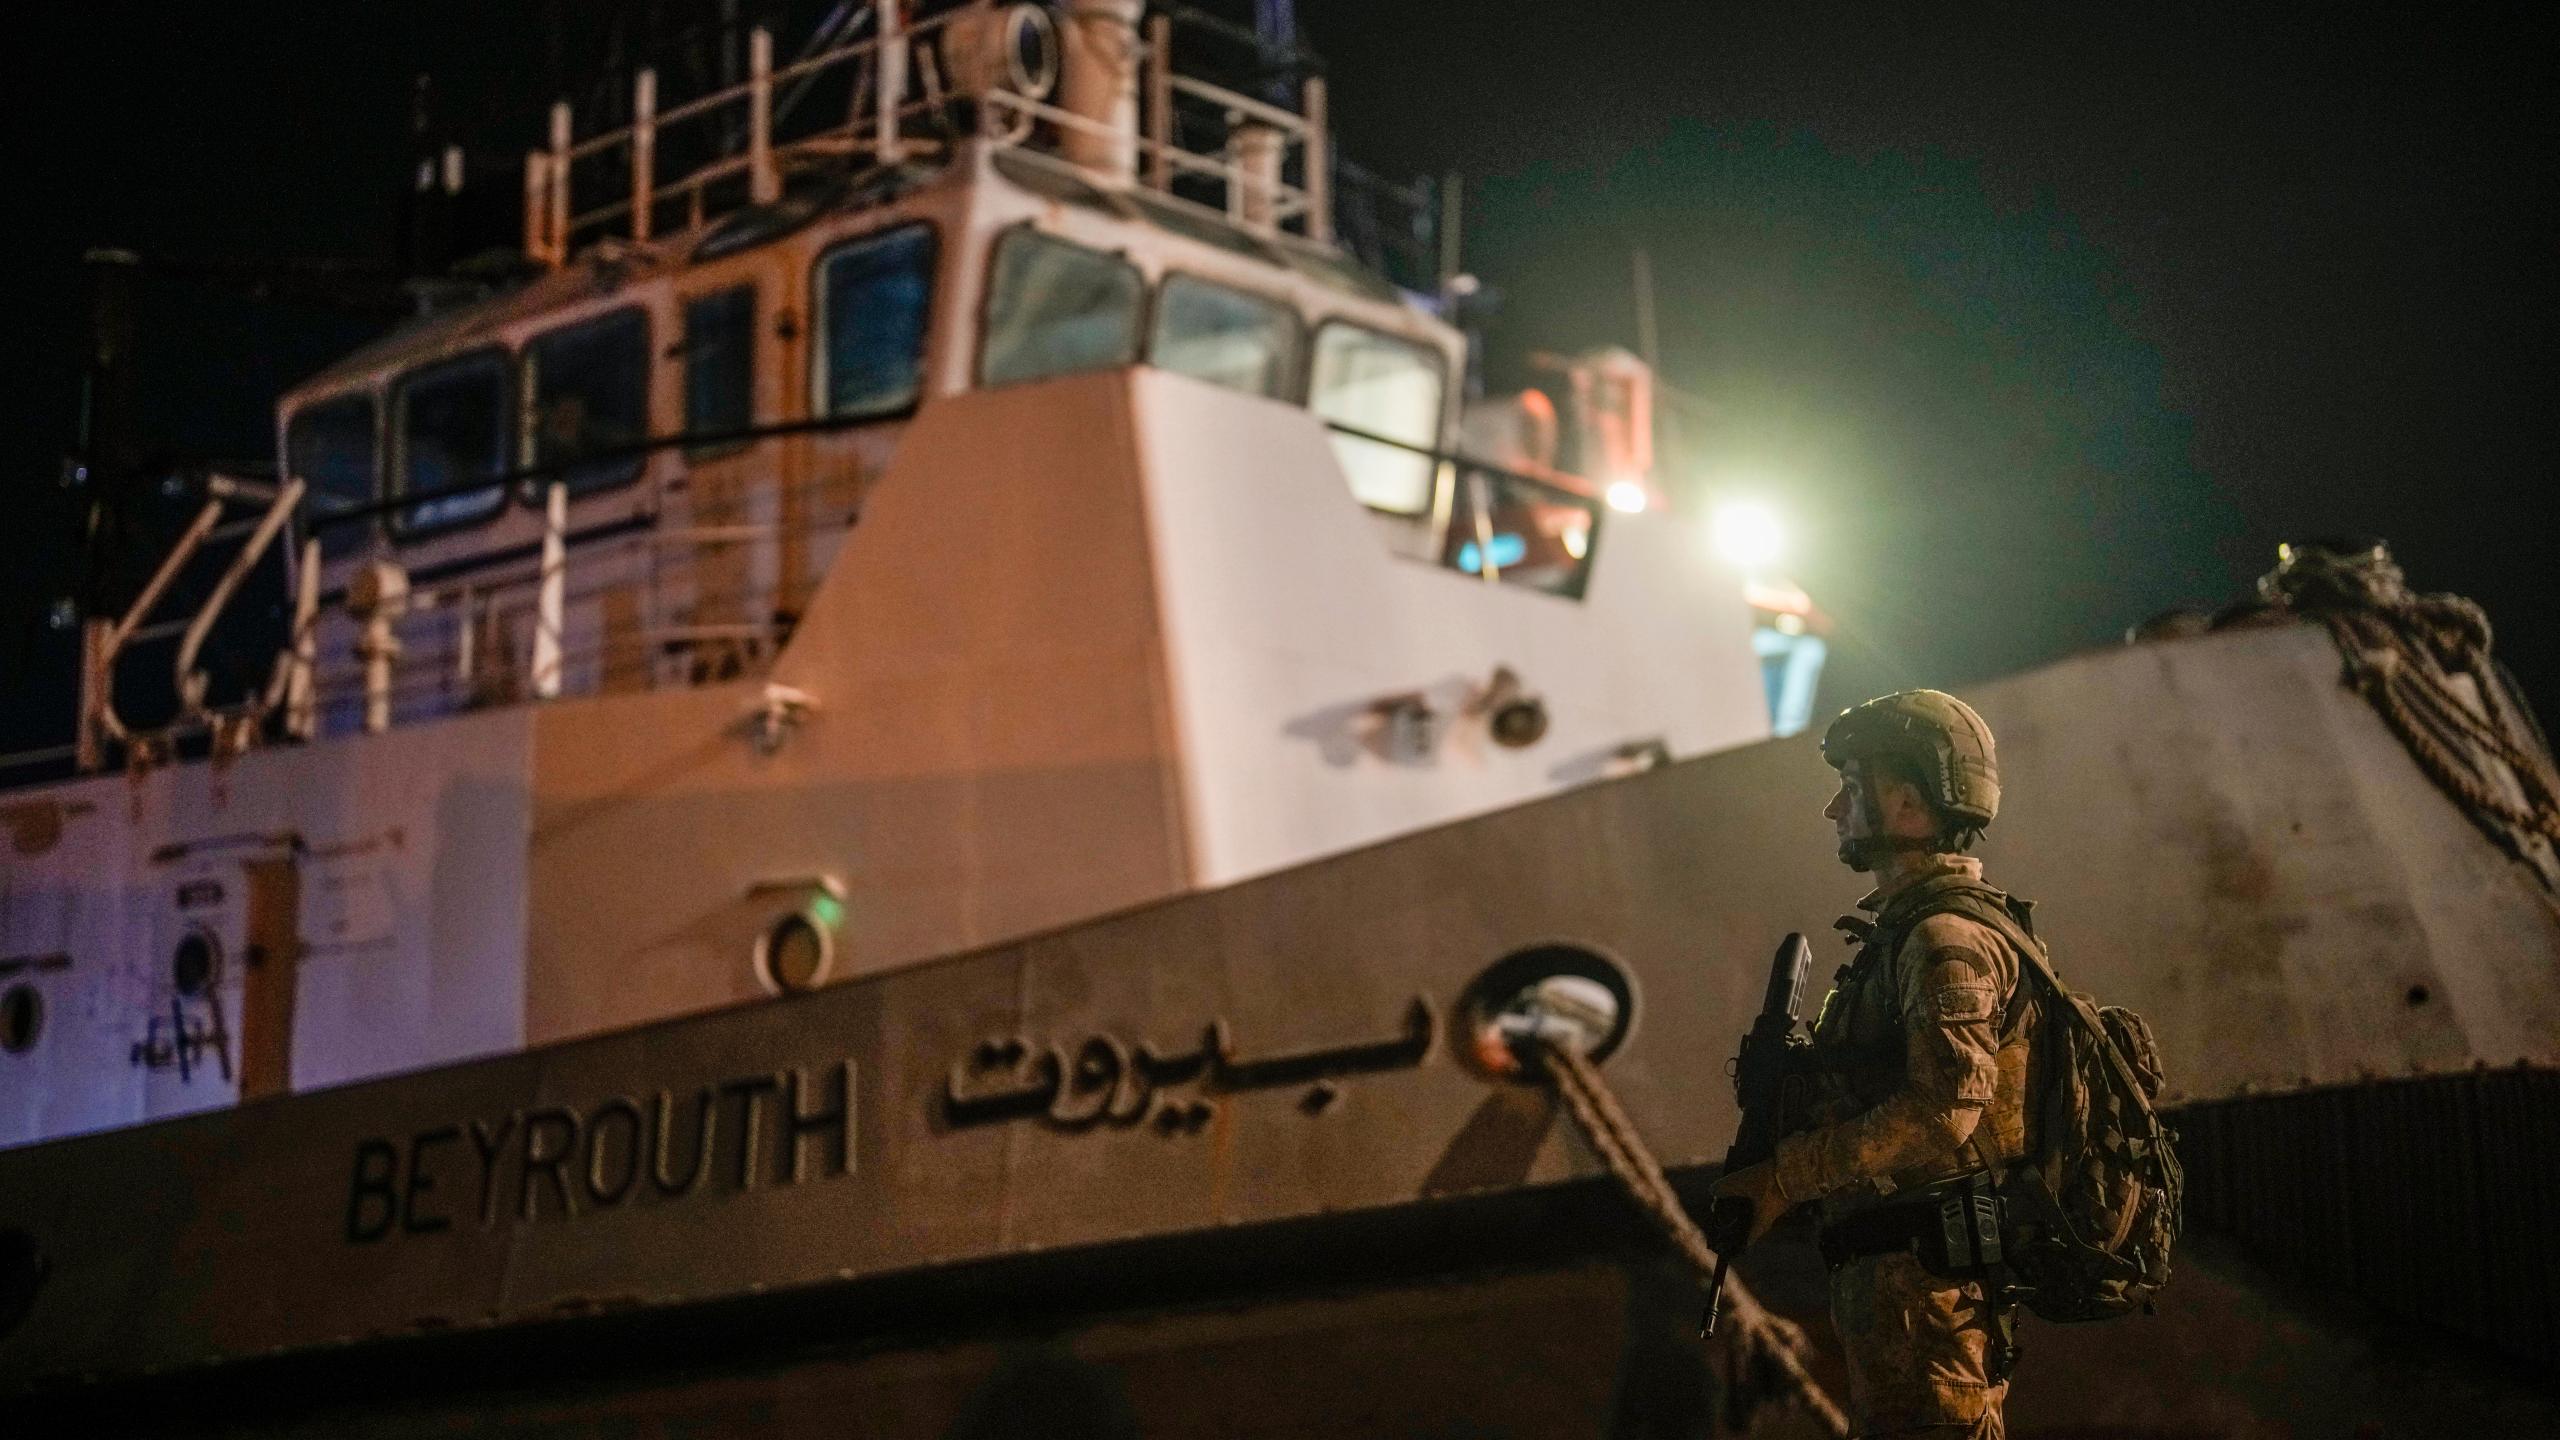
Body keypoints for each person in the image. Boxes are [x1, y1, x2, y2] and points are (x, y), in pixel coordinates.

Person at [1711, 689, 2039, 1439]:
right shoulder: (1906, 939)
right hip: (1902, 1283)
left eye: (1853, 788)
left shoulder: (1943, 942)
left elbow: (1944, 1110)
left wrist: (1785, 1178)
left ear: (1911, 806)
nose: (1834, 810)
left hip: (1927, 1292)